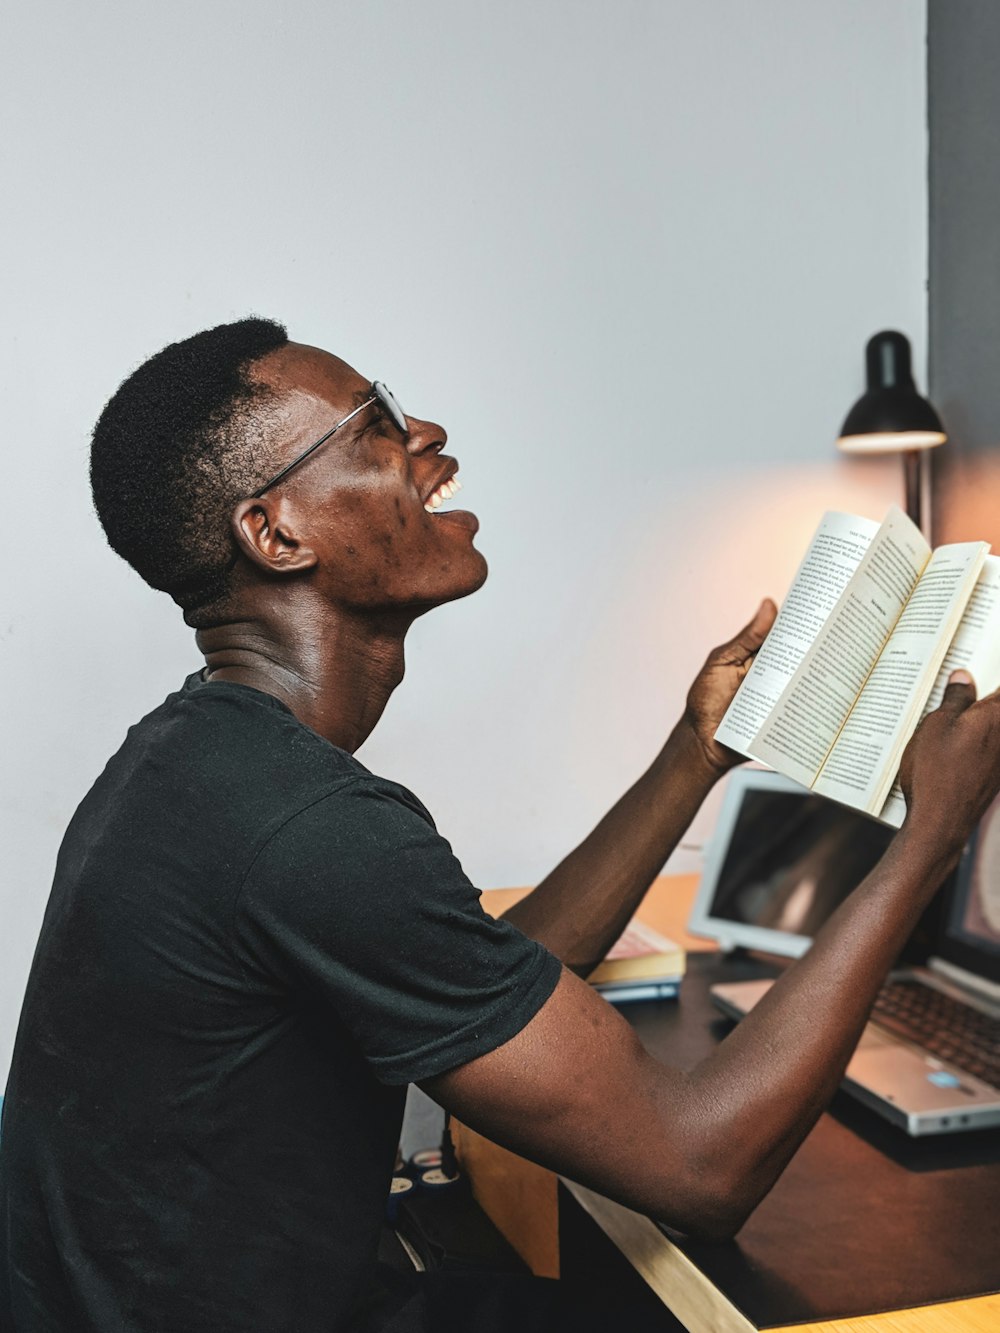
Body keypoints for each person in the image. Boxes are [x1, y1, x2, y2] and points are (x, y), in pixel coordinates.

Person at [2, 318, 998, 1332]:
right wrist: (929, 836)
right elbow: (703, 1164)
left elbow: (478, 981)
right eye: (377, 423)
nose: (427, 432)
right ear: (277, 534)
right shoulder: (305, 825)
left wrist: (694, 752)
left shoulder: (201, 762)